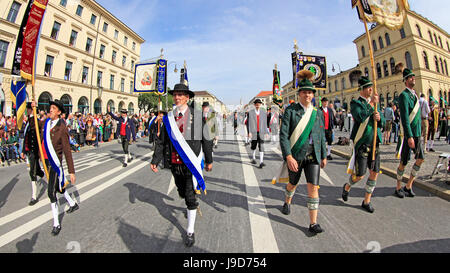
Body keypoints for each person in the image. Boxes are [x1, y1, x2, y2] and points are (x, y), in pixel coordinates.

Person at [150, 83, 213, 247]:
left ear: (187, 98)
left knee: (190, 197)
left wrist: (209, 160)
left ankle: (190, 231)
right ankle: (190, 203)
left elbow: (206, 139)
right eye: (175, 95)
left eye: (180, 95)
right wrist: (155, 160)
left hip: (191, 164)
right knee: (182, 192)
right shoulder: (168, 118)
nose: (177, 97)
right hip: (174, 164)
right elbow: (162, 140)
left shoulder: (197, 116)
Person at [279, 70, 327, 235]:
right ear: (299, 94)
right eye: (305, 92)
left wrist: (324, 155)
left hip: (313, 156)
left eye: (310, 92)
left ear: (313, 95)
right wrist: (288, 156)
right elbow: (283, 136)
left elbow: (321, 135)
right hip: (296, 155)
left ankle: (313, 223)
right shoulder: (291, 111)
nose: (308, 95)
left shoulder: (317, 113)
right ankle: (287, 200)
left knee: (314, 187)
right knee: (293, 183)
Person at [343, 77, 385, 213]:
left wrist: (380, 118)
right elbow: (360, 117)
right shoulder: (356, 103)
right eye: (368, 87)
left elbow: (382, 122)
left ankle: (366, 201)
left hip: (375, 142)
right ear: (361, 89)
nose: (371, 89)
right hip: (362, 142)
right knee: (360, 175)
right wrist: (372, 104)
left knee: (374, 173)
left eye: (371, 87)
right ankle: (348, 186)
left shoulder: (375, 103)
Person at [40, 100, 78, 236]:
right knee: (59, 187)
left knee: (51, 192)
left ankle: (56, 223)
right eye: (50, 108)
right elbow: (35, 125)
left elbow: (67, 151)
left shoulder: (62, 127)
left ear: (59, 112)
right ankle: (72, 204)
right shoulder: (47, 123)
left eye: (53, 108)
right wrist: (33, 109)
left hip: (55, 164)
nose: (50, 110)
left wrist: (71, 171)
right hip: (45, 161)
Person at [394, 68, 424, 198]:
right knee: (404, 162)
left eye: (413, 76)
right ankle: (398, 186)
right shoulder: (403, 96)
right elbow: (405, 118)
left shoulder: (415, 95)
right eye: (411, 77)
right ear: (406, 80)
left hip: (417, 133)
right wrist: (409, 136)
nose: (413, 78)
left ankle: (409, 185)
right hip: (409, 135)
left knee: (420, 159)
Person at [248, 99, 268, 168]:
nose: (257, 105)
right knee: (254, 146)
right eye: (256, 104)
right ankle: (253, 158)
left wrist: (266, 132)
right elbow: (249, 123)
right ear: (254, 105)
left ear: (260, 104)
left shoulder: (263, 112)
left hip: (261, 132)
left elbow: (265, 123)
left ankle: (261, 162)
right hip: (254, 132)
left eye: (259, 104)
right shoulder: (251, 112)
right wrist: (249, 132)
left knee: (261, 146)